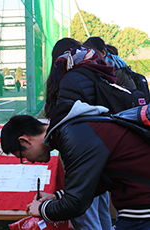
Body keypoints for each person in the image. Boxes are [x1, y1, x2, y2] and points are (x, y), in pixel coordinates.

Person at [1, 100, 150, 230]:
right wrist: (57, 196)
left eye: (23, 156)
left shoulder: (73, 137)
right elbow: (92, 182)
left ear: (25, 141)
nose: (30, 161)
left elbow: (75, 205)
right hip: (137, 194)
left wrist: (41, 209)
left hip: (141, 203)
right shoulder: (71, 128)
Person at [44, 38, 113, 230]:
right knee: (101, 208)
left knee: (86, 215)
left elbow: (63, 118)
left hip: (83, 153)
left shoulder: (68, 79)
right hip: (104, 151)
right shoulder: (97, 72)